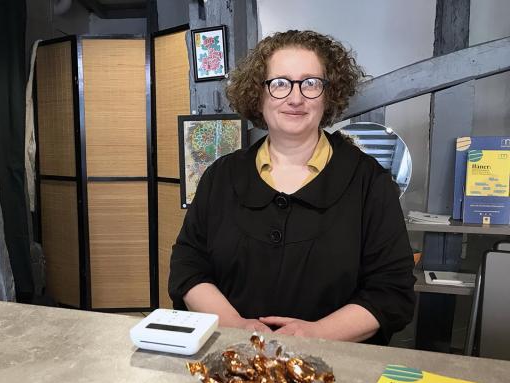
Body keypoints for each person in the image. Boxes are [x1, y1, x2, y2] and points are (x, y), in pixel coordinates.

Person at [168, 30, 415, 345]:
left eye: (311, 83)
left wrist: (315, 334)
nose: (295, 98)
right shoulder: (221, 176)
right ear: (258, 94)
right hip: (230, 359)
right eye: (280, 83)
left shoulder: (370, 183)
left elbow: (392, 292)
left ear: (329, 94)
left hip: (335, 369)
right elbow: (188, 266)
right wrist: (236, 326)